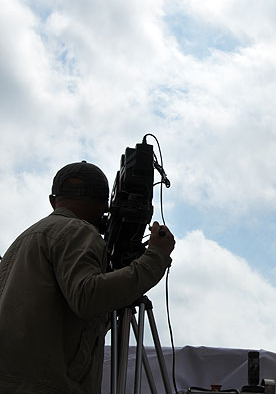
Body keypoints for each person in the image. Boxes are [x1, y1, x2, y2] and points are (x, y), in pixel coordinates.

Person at [0, 161, 176, 393]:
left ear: (53, 200)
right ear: (105, 204)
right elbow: (88, 297)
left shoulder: (23, 241)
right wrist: (156, 256)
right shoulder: (77, 230)